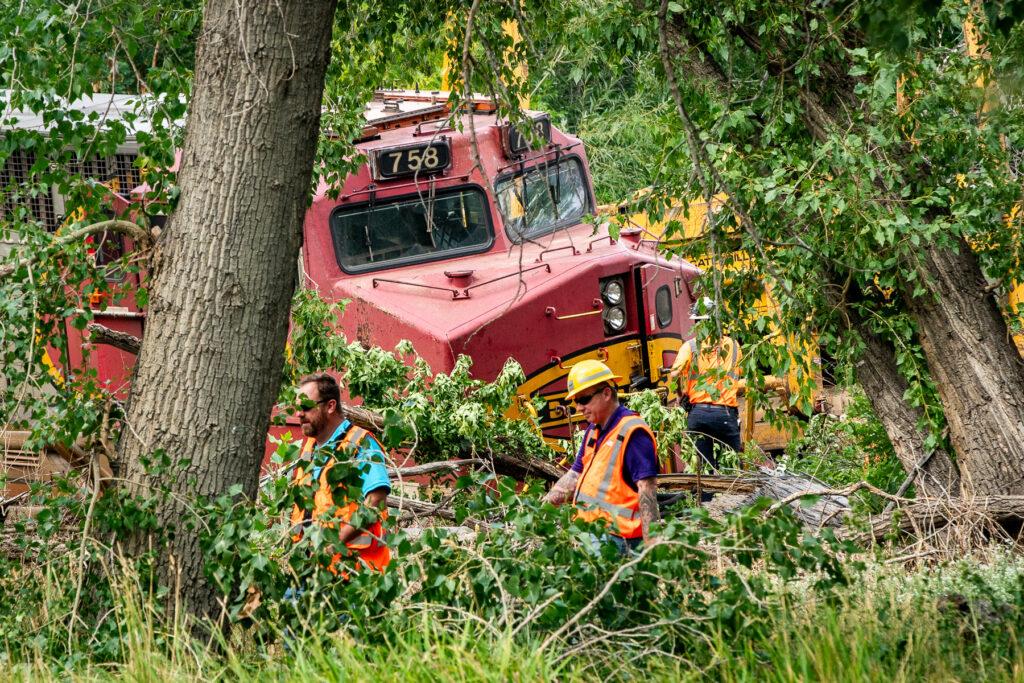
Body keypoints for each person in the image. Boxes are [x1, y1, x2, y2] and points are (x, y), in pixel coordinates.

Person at [543, 360, 660, 554]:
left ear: (606, 393)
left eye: (584, 399)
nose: (579, 407)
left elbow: (647, 491)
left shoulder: (633, 432)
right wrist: (543, 506)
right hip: (593, 532)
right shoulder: (593, 431)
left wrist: (652, 552)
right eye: (576, 401)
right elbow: (573, 476)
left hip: (620, 541)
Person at [289, 372, 391, 575]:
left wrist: (335, 543)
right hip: (310, 569)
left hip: (354, 573)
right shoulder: (309, 447)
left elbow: (376, 500)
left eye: (307, 407)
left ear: (330, 406)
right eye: (298, 408)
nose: (299, 414)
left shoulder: (360, 444)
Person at [670, 297, 743, 475]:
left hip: (698, 415)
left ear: (696, 322)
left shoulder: (690, 346)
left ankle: (707, 500)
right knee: (734, 466)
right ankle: (738, 500)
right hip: (725, 413)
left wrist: (680, 394)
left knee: (704, 469)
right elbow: (738, 373)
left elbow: (674, 374)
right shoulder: (733, 345)